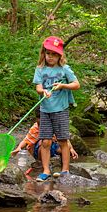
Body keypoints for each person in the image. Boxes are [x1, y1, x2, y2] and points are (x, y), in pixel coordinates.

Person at [33, 36, 80, 182]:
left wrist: (63, 86)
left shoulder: (65, 69)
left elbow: (76, 84)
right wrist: (43, 92)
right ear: (44, 53)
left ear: (59, 55)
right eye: (48, 54)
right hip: (45, 110)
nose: (50, 57)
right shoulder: (40, 69)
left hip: (61, 109)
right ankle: (46, 170)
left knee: (62, 140)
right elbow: (38, 86)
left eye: (54, 54)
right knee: (45, 141)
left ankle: (65, 170)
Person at [10, 112, 79, 169]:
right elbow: (26, 140)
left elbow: (64, 139)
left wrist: (71, 148)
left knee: (66, 149)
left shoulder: (54, 125)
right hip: (37, 150)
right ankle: (41, 163)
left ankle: (63, 165)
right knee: (42, 141)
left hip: (51, 147)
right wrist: (19, 148)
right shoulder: (35, 128)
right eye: (39, 124)